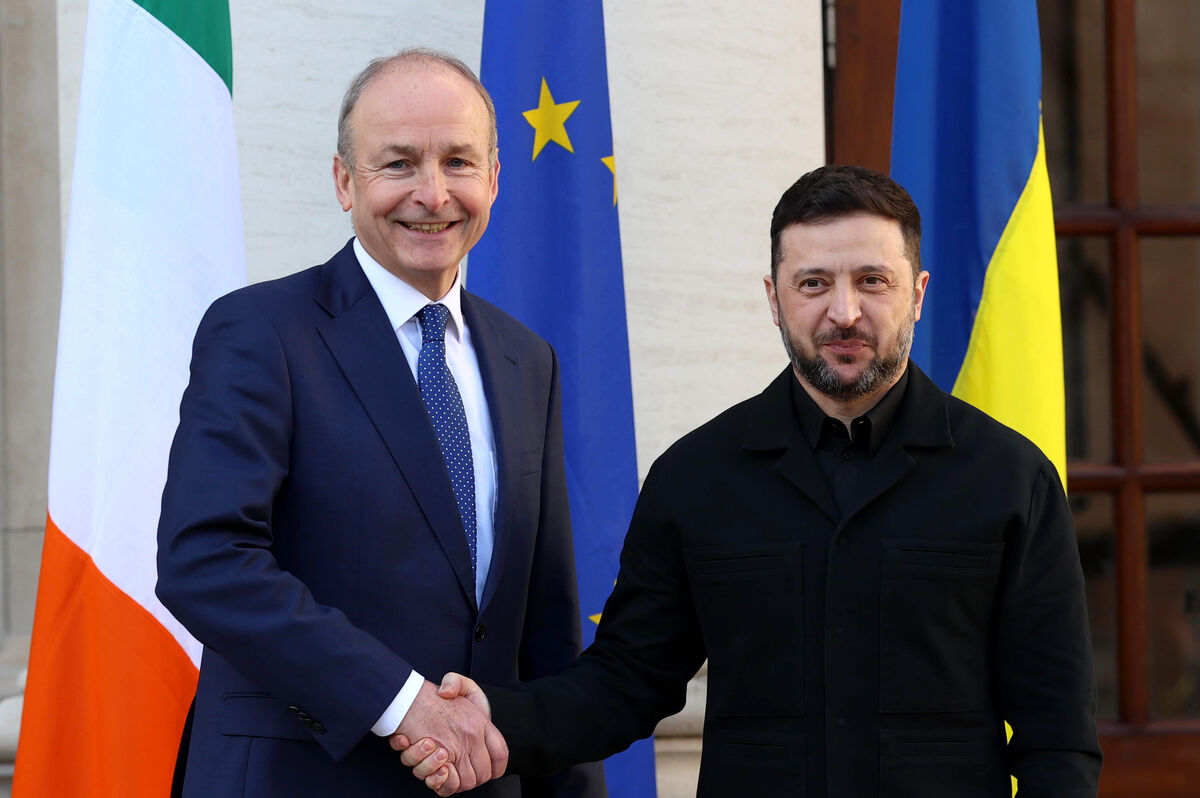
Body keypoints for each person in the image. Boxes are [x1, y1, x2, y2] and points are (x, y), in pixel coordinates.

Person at [401, 165, 1103, 797]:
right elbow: (625, 684)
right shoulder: (695, 477)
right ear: (774, 298)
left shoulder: (1010, 479)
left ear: (917, 294)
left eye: (872, 281)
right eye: (814, 283)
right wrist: (495, 720)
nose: (844, 312)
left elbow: (1058, 738)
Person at [156, 48, 605, 798]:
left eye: (458, 162)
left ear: (494, 179)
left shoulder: (528, 361)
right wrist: (405, 703)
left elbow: (546, 629)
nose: (433, 193)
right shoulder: (262, 332)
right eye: (399, 163)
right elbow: (206, 560)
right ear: (344, 182)